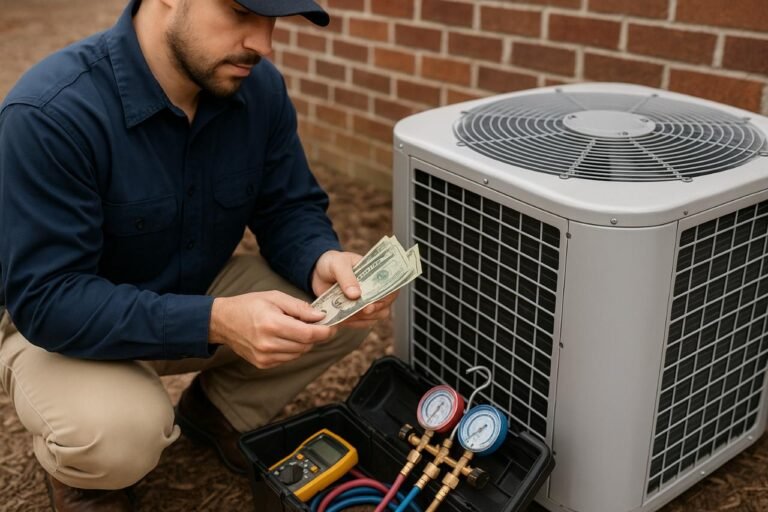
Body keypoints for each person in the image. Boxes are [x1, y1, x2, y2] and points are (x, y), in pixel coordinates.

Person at [0, 0, 397, 510]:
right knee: (118, 434)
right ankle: (85, 476)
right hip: (59, 332)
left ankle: (217, 413)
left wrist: (320, 257)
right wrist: (216, 319)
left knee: (339, 307)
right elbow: (48, 299)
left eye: (273, 20)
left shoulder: (260, 89)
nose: (265, 43)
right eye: (241, 13)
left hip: (190, 295)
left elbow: (288, 206)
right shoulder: (51, 112)